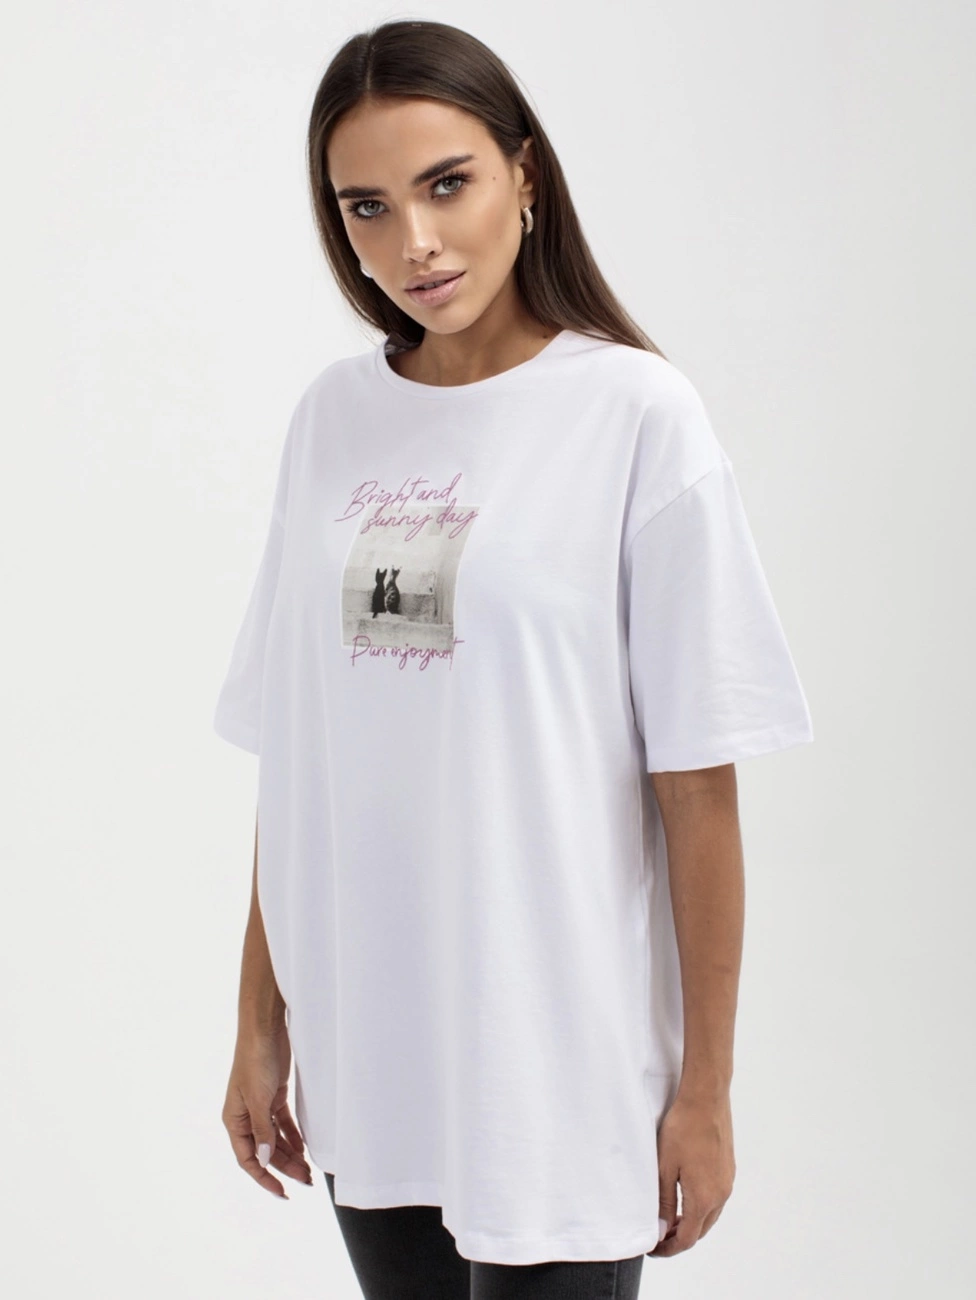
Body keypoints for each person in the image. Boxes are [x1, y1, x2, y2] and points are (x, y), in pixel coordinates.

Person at [215, 18, 814, 1299]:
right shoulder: (331, 421)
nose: (414, 244)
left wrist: (704, 1089)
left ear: (524, 174)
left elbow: (697, 785)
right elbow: (300, 761)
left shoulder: (637, 415)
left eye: (448, 184)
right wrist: (259, 1025)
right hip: (373, 1056)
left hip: (557, 1068)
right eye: (368, 207)